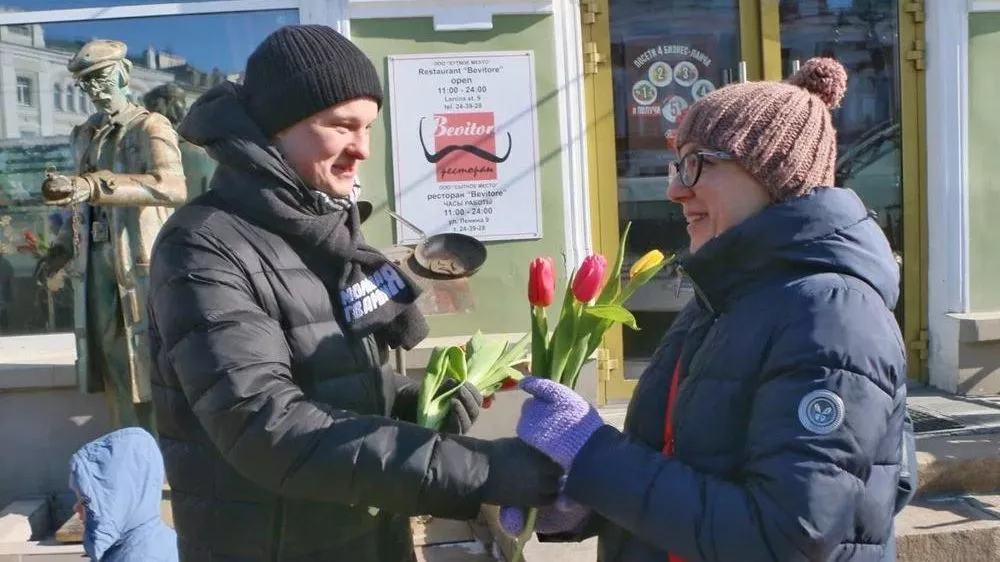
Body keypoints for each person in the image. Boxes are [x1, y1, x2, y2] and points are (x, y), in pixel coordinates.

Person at [146, 25, 561, 562]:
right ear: (275, 128)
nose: (361, 149)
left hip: (364, 538)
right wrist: (479, 471)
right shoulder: (203, 245)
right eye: (342, 127)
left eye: (368, 128)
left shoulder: (319, 229)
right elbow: (266, 425)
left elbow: (334, 380)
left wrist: (415, 405)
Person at [500, 57, 917, 561]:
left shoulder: (832, 315)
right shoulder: (725, 296)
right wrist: (583, 497)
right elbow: (683, 464)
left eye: (697, 162)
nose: (674, 189)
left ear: (773, 173)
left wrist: (594, 455)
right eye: (677, 164)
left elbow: (782, 536)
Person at [36, 39, 187, 432]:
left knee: (148, 370)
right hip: (97, 267)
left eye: (100, 78)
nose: (93, 89)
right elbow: (82, 208)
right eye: (85, 84)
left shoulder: (150, 126)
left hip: (139, 268)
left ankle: (157, 465)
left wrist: (95, 186)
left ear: (123, 74)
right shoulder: (84, 135)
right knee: (112, 365)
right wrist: (61, 250)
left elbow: (173, 186)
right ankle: (131, 459)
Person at [69, 427, 178, 561]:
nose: (76, 508)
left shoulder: (134, 556)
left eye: (85, 501)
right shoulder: (160, 539)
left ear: (117, 502)